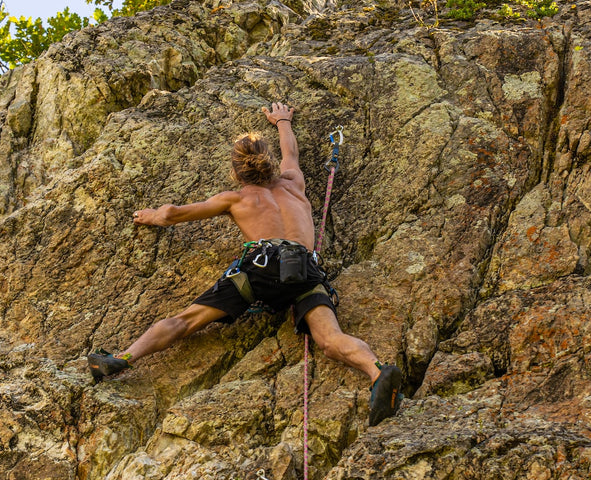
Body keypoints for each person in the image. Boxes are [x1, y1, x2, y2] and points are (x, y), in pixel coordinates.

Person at [87, 102, 404, 426]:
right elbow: (290, 153)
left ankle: (121, 359)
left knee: (185, 321)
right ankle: (377, 371)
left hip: (260, 269)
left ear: (237, 172)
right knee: (329, 339)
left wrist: (151, 216)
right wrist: (282, 120)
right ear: (269, 163)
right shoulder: (293, 183)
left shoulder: (235, 199)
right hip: (304, 271)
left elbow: (172, 214)